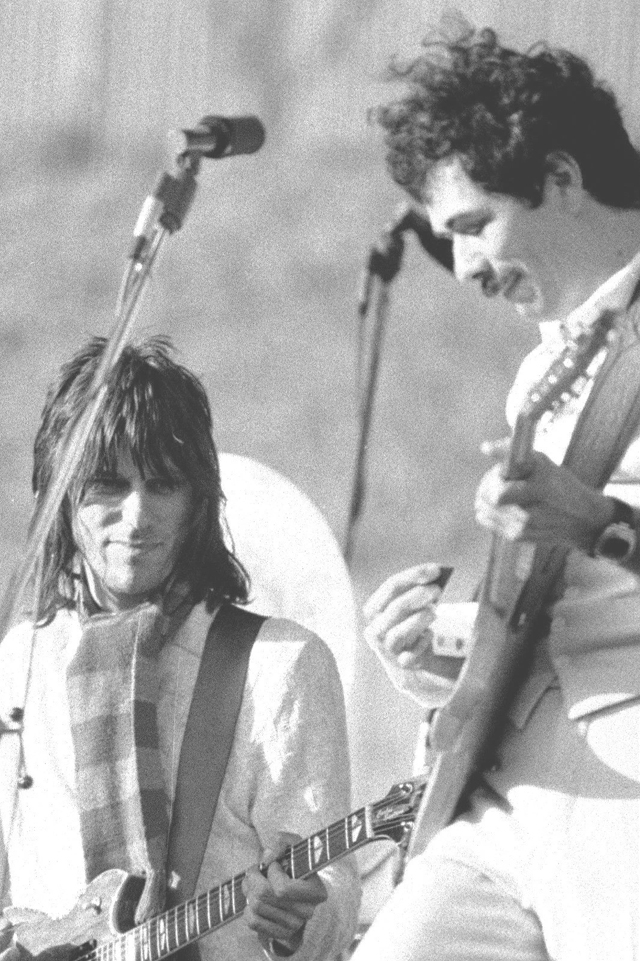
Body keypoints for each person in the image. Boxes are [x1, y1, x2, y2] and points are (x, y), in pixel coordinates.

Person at [353, 22, 640, 961]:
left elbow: (598, 546)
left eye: (473, 226)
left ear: (559, 177)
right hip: (512, 780)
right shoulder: (542, 372)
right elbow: (547, 609)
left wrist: (601, 524)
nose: (465, 268)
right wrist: (439, 654)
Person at [0, 336, 359, 961]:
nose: (136, 518)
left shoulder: (278, 665)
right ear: (59, 500)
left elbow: (332, 895)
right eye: (107, 487)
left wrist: (297, 917)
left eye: (163, 486)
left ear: (198, 502)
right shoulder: (18, 667)